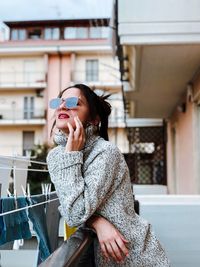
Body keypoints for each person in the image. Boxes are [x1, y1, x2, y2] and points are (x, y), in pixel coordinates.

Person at [47, 84, 170, 266]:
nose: (62, 106)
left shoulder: (105, 152)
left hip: (137, 256)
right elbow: (68, 209)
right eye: (58, 101)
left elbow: (75, 213)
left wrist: (72, 156)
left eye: (73, 102)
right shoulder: (56, 157)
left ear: (94, 119)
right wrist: (97, 222)